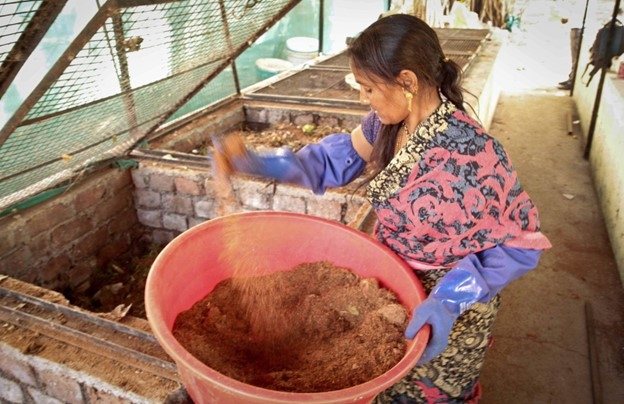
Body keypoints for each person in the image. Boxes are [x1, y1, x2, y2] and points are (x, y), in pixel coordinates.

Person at [213, 13, 552, 403]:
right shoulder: (387, 124)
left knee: (430, 391)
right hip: (392, 283)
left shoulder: (474, 155)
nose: (364, 99)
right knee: (382, 379)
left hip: (451, 303)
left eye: (369, 88)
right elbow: (330, 162)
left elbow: (521, 244)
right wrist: (260, 163)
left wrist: (449, 300)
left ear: (407, 81)